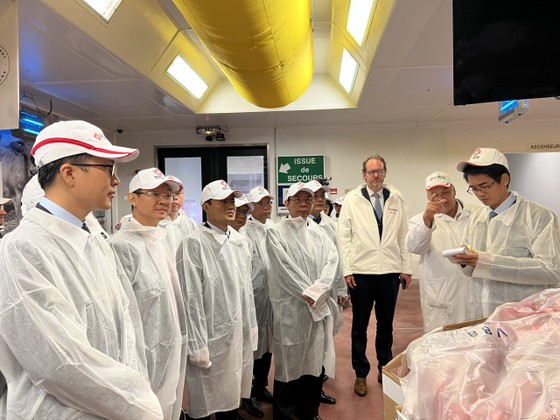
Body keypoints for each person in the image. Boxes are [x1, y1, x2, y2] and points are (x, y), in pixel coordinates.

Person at [0, 120, 163, 419]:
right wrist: (140, 405)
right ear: (69, 173)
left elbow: (123, 331)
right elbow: (60, 363)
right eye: (107, 168)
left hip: (116, 407)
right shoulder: (24, 249)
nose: (116, 181)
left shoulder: (93, 240)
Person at [110, 168, 187, 419]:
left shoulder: (157, 239)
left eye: (167, 194)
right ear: (132, 198)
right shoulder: (122, 247)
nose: (164, 200)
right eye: (154, 193)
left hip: (167, 353)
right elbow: (123, 320)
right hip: (142, 362)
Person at [176, 179, 257, 420]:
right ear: (206, 206)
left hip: (236, 336)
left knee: (230, 397)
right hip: (210, 338)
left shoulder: (237, 242)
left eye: (232, 200)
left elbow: (247, 291)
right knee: (205, 400)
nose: (230, 205)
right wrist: (197, 345)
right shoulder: (193, 244)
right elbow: (191, 298)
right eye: (223, 201)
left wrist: (250, 325)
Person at [453, 147, 560, 317]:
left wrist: (486, 261)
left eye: (484, 186)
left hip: (525, 316)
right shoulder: (476, 218)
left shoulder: (538, 216)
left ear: (504, 179)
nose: (480, 194)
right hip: (482, 315)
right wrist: (465, 261)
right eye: (473, 188)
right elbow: (471, 270)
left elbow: (551, 270)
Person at [337, 154, 412, 396]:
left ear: (385, 172)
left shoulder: (397, 199)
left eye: (379, 171)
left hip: (389, 271)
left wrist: (406, 267)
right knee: (359, 326)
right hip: (362, 272)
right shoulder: (352, 200)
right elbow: (344, 237)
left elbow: (403, 236)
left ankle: (384, 367)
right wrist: (347, 269)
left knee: (386, 325)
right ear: (363, 174)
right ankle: (360, 374)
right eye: (371, 172)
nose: (376, 175)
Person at [266, 181, 339, 420]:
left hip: (316, 310)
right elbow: (285, 271)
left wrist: (320, 290)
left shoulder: (318, 232)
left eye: (307, 199)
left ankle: (308, 411)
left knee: (313, 364)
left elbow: (331, 262)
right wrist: (312, 294)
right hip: (292, 311)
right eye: (297, 199)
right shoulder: (276, 232)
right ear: (286, 203)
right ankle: (285, 414)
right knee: (290, 367)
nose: (303, 204)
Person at [405, 172, 477, 332]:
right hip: (441, 299)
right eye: (434, 195)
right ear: (427, 195)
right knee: (441, 348)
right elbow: (414, 247)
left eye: (445, 192)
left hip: (473, 295)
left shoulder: (477, 215)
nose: (442, 198)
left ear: (454, 191)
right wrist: (427, 219)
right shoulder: (419, 220)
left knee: (474, 345)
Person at [306, 180, 348, 406]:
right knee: (309, 343)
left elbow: (338, 258)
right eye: (315, 195)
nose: (320, 199)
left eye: (322, 195)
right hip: (307, 295)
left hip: (328, 293)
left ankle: (317, 385)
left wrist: (341, 288)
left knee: (325, 341)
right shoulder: (298, 225)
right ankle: (305, 388)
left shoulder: (331, 225)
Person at [239, 187, 275, 418]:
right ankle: (247, 394)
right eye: (261, 203)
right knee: (252, 348)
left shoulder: (273, 229)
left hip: (272, 299)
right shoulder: (245, 232)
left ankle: (261, 386)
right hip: (254, 298)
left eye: (269, 202)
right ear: (252, 207)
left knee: (268, 346)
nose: (267, 207)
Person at [159, 175, 198, 254]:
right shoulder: (154, 223)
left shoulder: (190, 224)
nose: (174, 198)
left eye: (178, 193)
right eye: (169, 194)